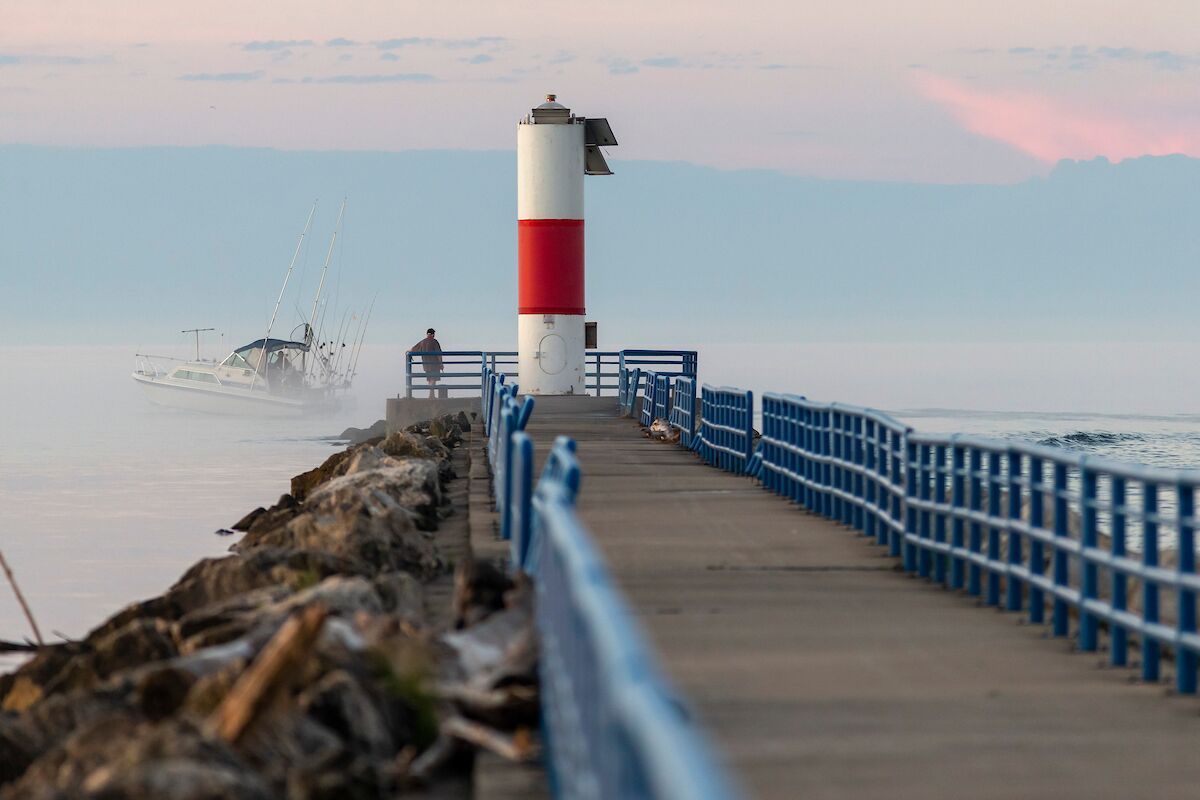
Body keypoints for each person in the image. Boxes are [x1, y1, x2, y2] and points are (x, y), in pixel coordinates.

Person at [412, 327, 444, 398]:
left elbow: (414, 349)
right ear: (433, 334)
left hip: (426, 364)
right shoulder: (434, 342)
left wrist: (409, 352)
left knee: (429, 379)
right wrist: (441, 364)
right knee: (433, 379)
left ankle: (431, 394)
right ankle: (431, 395)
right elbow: (439, 354)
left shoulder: (422, 342)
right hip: (434, 364)